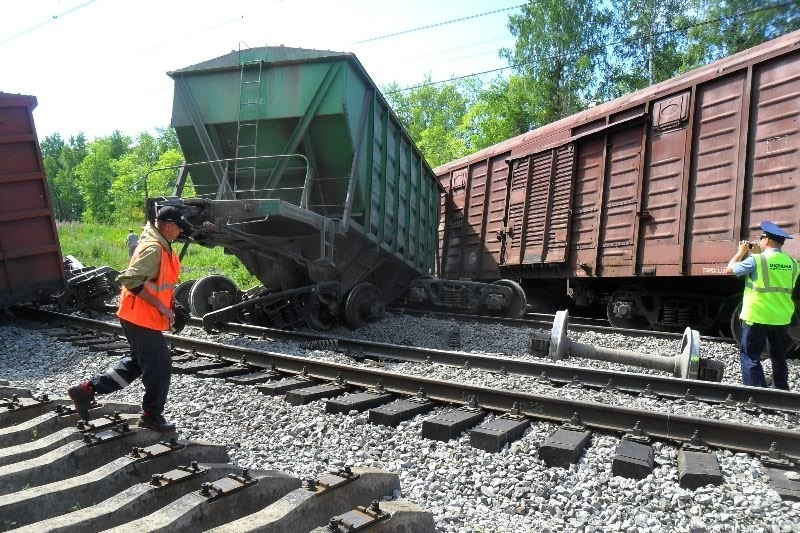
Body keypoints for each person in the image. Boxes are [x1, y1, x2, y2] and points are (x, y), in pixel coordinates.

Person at [68, 206, 192, 432]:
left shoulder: (162, 245)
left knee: (137, 363)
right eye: (179, 227)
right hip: (139, 317)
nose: (181, 231)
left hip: (139, 315)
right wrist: (163, 307)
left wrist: (173, 305)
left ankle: (86, 390)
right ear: (167, 225)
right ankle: (151, 416)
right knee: (160, 364)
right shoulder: (154, 248)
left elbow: (156, 284)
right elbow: (130, 280)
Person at [725, 221, 798, 390]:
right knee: (779, 355)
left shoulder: (756, 261)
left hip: (756, 315)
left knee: (750, 356)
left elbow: (729, 270)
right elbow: (774, 272)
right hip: (781, 317)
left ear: (767, 240)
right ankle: (781, 389)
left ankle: (757, 393)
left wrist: (741, 252)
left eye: (761, 237)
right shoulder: (793, 264)